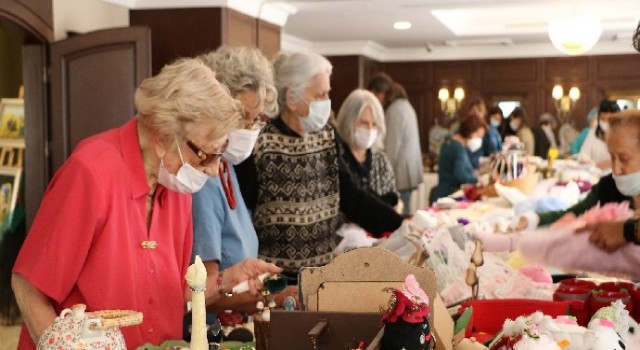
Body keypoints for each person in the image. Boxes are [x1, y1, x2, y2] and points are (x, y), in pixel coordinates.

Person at [11, 58, 281, 349]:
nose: (215, 170)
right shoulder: (91, 172)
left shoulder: (176, 185)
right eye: (207, 155)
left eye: (221, 152)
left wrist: (227, 280)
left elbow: (171, 296)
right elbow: (28, 284)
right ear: (164, 135)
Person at [236, 52, 403, 283]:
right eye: (320, 94)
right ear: (292, 99)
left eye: (328, 93)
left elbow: (351, 196)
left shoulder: (327, 135)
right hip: (274, 282)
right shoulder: (260, 141)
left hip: (323, 276)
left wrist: (399, 223)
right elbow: (243, 216)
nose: (327, 101)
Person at [191, 46, 279, 313]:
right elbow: (200, 291)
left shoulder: (227, 167)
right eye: (243, 117)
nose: (249, 128)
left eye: (256, 119)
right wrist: (268, 297)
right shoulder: (201, 178)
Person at [518, 110, 640, 252]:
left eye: (624, 159)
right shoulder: (608, 186)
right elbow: (575, 213)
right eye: (611, 157)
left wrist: (628, 230)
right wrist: (533, 218)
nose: (616, 169)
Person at [335, 88, 400, 210]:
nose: (370, 129)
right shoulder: (337, 159)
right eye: (364, 123)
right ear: (349, 122)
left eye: (374, 124)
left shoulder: (381, 160)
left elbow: (395, 199)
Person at [368, 75, 423, 215]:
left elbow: (391, 148)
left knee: (400, 217)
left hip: (400, 173)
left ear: (381, 94)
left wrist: (381, 174)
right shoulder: (403, 106)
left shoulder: (395, 110)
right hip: (405, 171)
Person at [430, 115, 487, 203]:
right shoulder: (457, 148)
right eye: (479, 136)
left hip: (444, 193)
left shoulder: (451, 143)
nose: (480, 140)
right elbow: (460, 174)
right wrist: (478, 180)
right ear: (471, 132)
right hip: (449, 196)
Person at [579, 99, 620, 170]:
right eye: (603, 120)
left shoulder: (623, 135)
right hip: (594, 174)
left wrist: (598, 165)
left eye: (609, 120)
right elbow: (584, 154)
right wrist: (584, 161)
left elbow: (621, 160)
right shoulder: (593, 132)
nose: (605, 123)